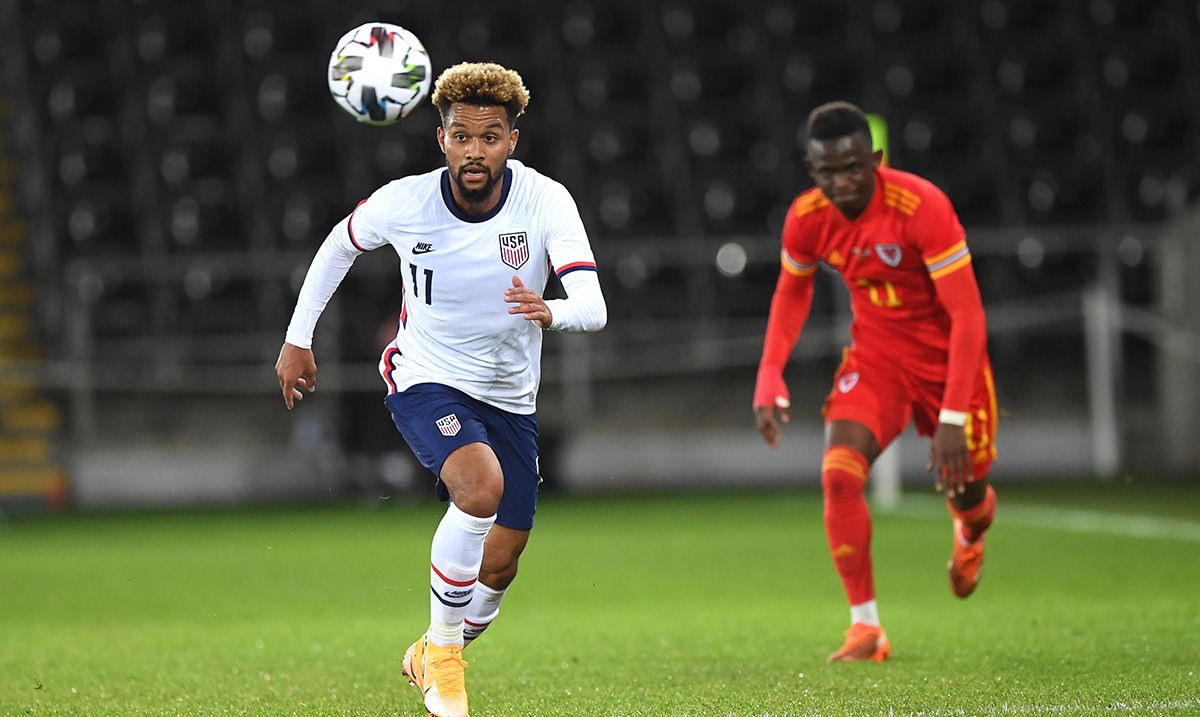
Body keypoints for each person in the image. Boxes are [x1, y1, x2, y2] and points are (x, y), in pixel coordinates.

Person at [275, 62, 606, 717]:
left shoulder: (546, 201)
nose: (474, 150)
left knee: (501, 564)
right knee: (479, 488)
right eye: (461, 136)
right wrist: (297, 337)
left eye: (489, 137)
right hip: (423, 376)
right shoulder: (407, 201)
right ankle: (446, 670)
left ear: (512, 139)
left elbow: (592, 305)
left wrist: (550, 309)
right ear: (441, 140)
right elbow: (339, 246)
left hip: (510, 395)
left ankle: (433, 645)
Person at [753, 101, 998, 663]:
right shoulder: (807, 216)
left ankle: (971, 528)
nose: (840, 183)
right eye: (826, 172)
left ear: (876, 161)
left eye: (852, 168)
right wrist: (769, 374)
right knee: (839, 474)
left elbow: (968, 317)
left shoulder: (922, 207)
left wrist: (954, 418)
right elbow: (792, 293)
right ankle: (866, 628)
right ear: (812, 171)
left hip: (946, 364)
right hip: (879, 358)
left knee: (969, 492)